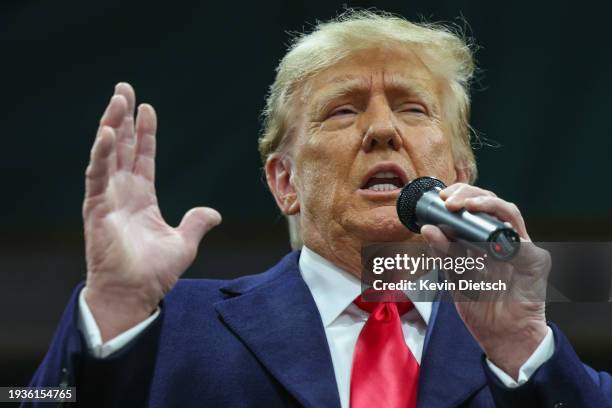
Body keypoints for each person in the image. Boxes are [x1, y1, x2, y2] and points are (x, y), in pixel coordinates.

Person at [28, 10, 612, 407]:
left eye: (413, 109)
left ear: (460, 175)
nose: (382, 129)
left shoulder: (519, 347)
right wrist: (109, 313)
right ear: (285, 182)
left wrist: (521, 350)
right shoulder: (170, 326)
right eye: (343, 110)